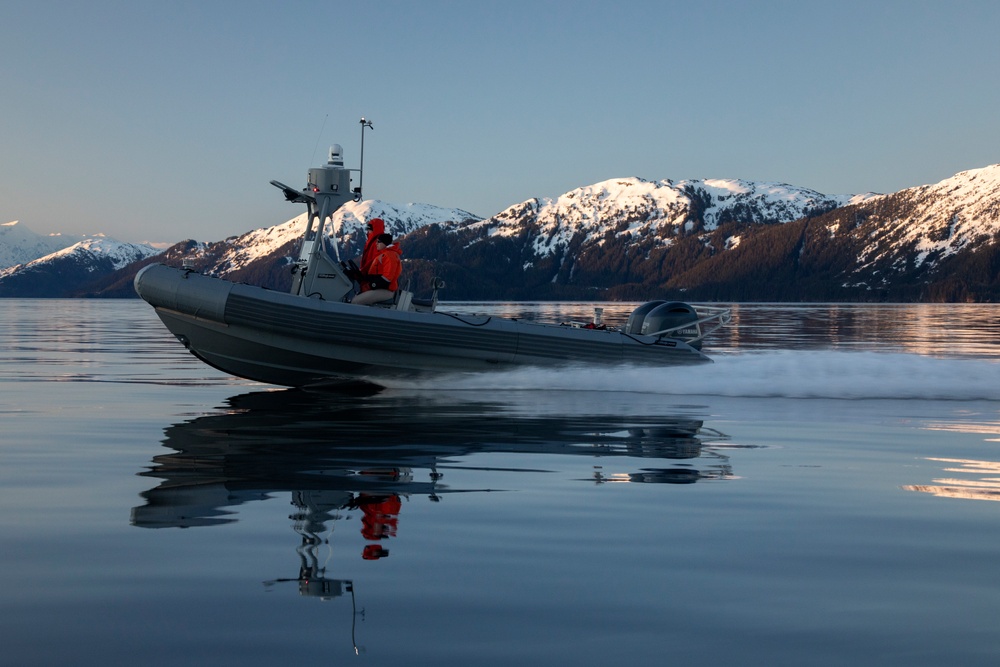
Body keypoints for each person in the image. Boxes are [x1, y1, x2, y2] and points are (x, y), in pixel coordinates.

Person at [351, 233, 402, 305]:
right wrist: (360, 276)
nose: (376, 243)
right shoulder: (383, 254)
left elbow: (387, 278)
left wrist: (372, 285)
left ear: (385, 243)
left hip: (386, 290)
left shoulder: (390, 255)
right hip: (381, 288)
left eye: (378, 241)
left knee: (355, 302)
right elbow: (376, 275)